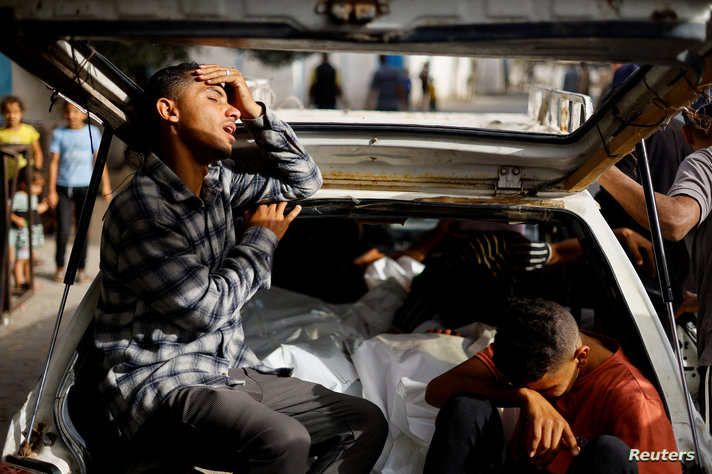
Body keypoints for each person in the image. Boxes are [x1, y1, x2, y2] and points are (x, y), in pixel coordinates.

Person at [93, 62, 388, 473]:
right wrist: (261, 239)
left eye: (232, 103)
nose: (231, 111)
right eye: (215, 100)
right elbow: (204, 311)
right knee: (285, 439)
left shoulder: (219, 183)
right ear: (169, 111)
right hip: (164, 385)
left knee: (364, 422)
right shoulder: (145, 208)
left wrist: (257, 112)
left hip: (228, 370)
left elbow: (306, 182)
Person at [423, 298, 681, 474]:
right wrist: (523, 396)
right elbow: (436, 391)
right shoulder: (527, 346)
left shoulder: (634, 400)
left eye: (545, 390)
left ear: (581, 356)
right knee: (466, 407)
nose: (539, 396)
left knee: (610, 453)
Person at [598, 101, 712, 434]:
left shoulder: (706, 160)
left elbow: (675, 221)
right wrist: (696, 300)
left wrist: (602, 171)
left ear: (687, 135)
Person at [47, 101, 111, 283]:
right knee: (63, 229)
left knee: (83, 229)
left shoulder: (93, 132)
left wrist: (105, 186)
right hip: (63, 187)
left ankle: (81, 268)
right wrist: (51, 190)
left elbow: (100, 161)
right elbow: (53, 163)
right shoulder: (59, 134)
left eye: (76, 112)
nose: (71, 116)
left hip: (86, 186)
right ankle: (60, 267)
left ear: (84, 114)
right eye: (68, 112)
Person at [9, 171, 48, 292]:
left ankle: (28, 282)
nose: (38, 189)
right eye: (36, 186)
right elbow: (7, 209)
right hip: (22, 235)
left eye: (40, 186)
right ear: (24, 184)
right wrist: (16, 219)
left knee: (29, 259)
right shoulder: (19, 196)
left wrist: (43, 207)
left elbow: (33, 211)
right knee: (21, 259)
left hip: (30, 234)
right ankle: (19, 283)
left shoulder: (33, 197)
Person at [0, 95, 43, 184]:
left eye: (15, 112)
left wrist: (37, 170)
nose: (12, 115)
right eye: (8, 112)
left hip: (25, 177)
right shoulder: (1, 133)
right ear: (3, 113)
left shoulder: (29, 131)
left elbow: (37, 152)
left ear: (21, 112)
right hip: (6, 176)